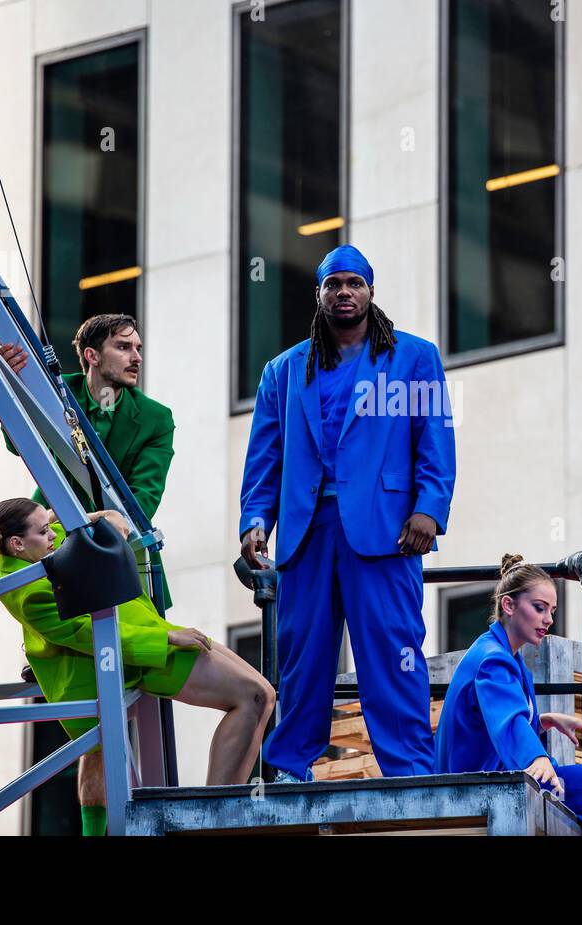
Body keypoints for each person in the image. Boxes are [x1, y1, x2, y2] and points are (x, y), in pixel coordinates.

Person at [239, 244, 456, 781]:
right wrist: (254, 520)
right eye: (333, 284)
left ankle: (408, 771)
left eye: (353, 284)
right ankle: (290, 767)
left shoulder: (414, 357)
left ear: (371, 293)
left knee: (391, 652)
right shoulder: (284, 370)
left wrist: (430, 507)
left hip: (387, 532)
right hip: (306, 531)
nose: (344, 293)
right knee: (303, 659)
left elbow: (435, 436)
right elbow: (264, 455)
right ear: (319, 295)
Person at [0, 498, 275, 835]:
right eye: (44, 530)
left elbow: (82, 521)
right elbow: (90, 634)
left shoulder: (26, 548)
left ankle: (215, 817)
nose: (53, 533)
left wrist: (104, 516)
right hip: (123, 658)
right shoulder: (29, 593)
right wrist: (166, 641)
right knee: (253, 697)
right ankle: (210, 821)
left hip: (138, 636)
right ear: (17, 543)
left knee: (262, 695)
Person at [435, 554, 582, 836]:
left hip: (503, 773)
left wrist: (544, 720)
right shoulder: (492, 659)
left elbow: (494, 719)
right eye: (539, 608)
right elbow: (508, 723)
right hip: (481, 785)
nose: (548, 619)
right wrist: (536, 758)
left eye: (552, 611)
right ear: (509, 605)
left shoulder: (508, 657)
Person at [0, 313, 175, 608]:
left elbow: (143, 501)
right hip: (53, 543)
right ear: (91, 355)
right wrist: (9, 385)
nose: (136, 358)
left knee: (142, 647)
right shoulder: (54, 390)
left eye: (138, 348)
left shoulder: (155, 419)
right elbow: (17, 443)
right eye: (123, 347)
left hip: (122, 554)